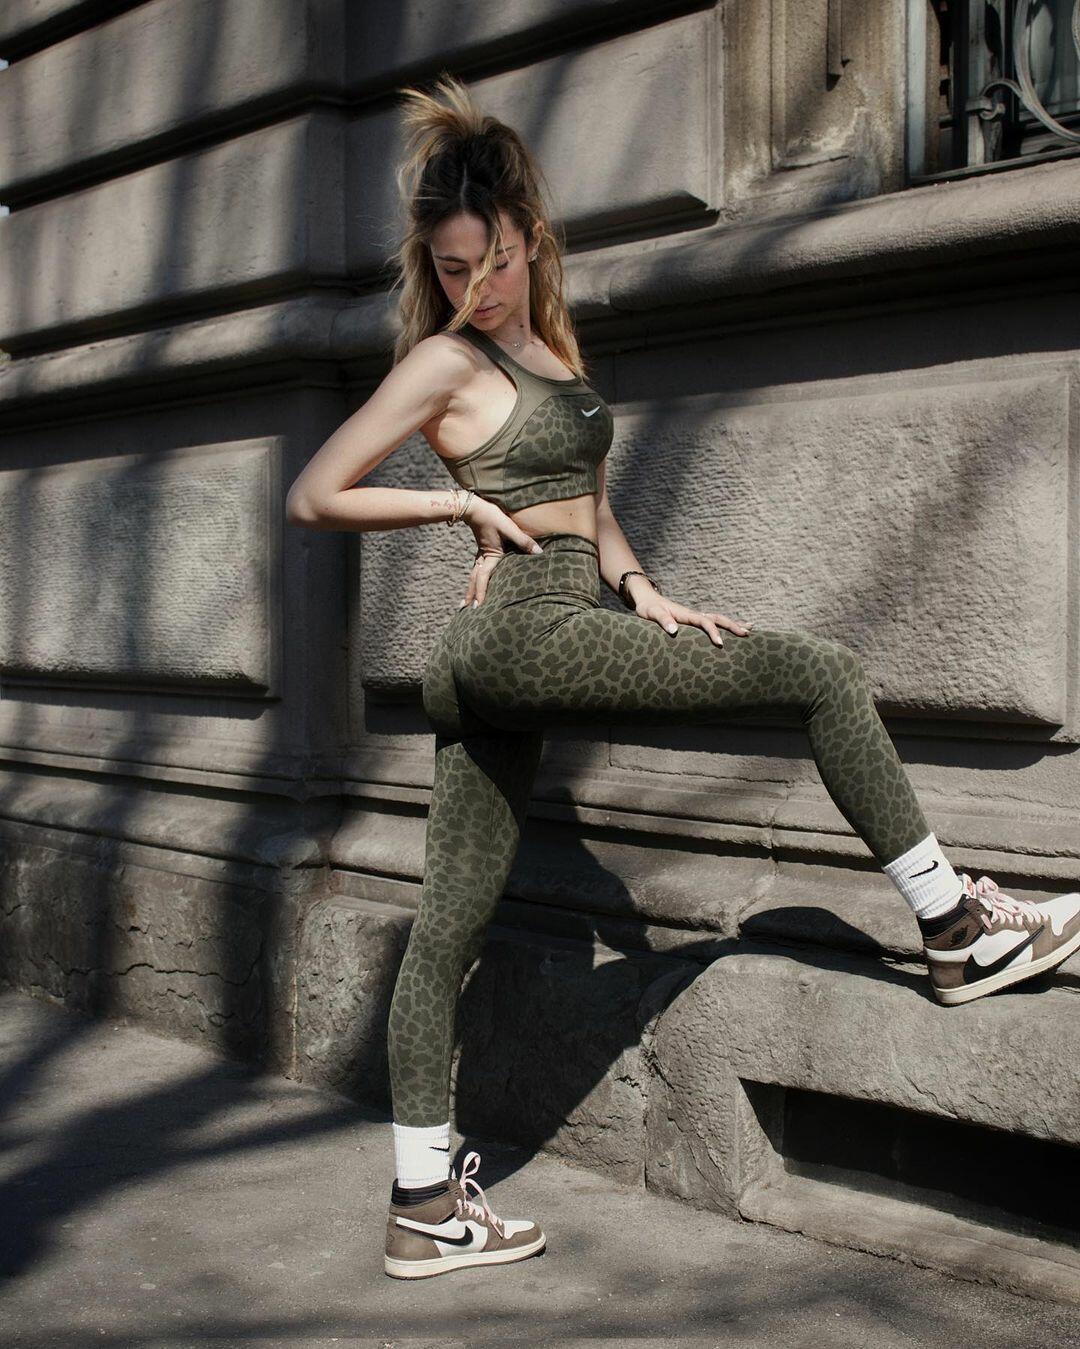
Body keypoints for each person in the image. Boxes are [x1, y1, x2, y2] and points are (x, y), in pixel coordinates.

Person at [285, 72, 1080, 1281]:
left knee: (449, 923)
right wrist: (456, 506)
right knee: (820, 672)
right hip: (515, 633)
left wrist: (644, 586)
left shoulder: (551, 346)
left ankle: (424, 1204)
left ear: (529, 238)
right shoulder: (442, 363)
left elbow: (588, 501)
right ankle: (955, 926)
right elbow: (315, 491)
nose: (472, 287)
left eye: (491, 262)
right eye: (450, 269)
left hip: (551, 622)